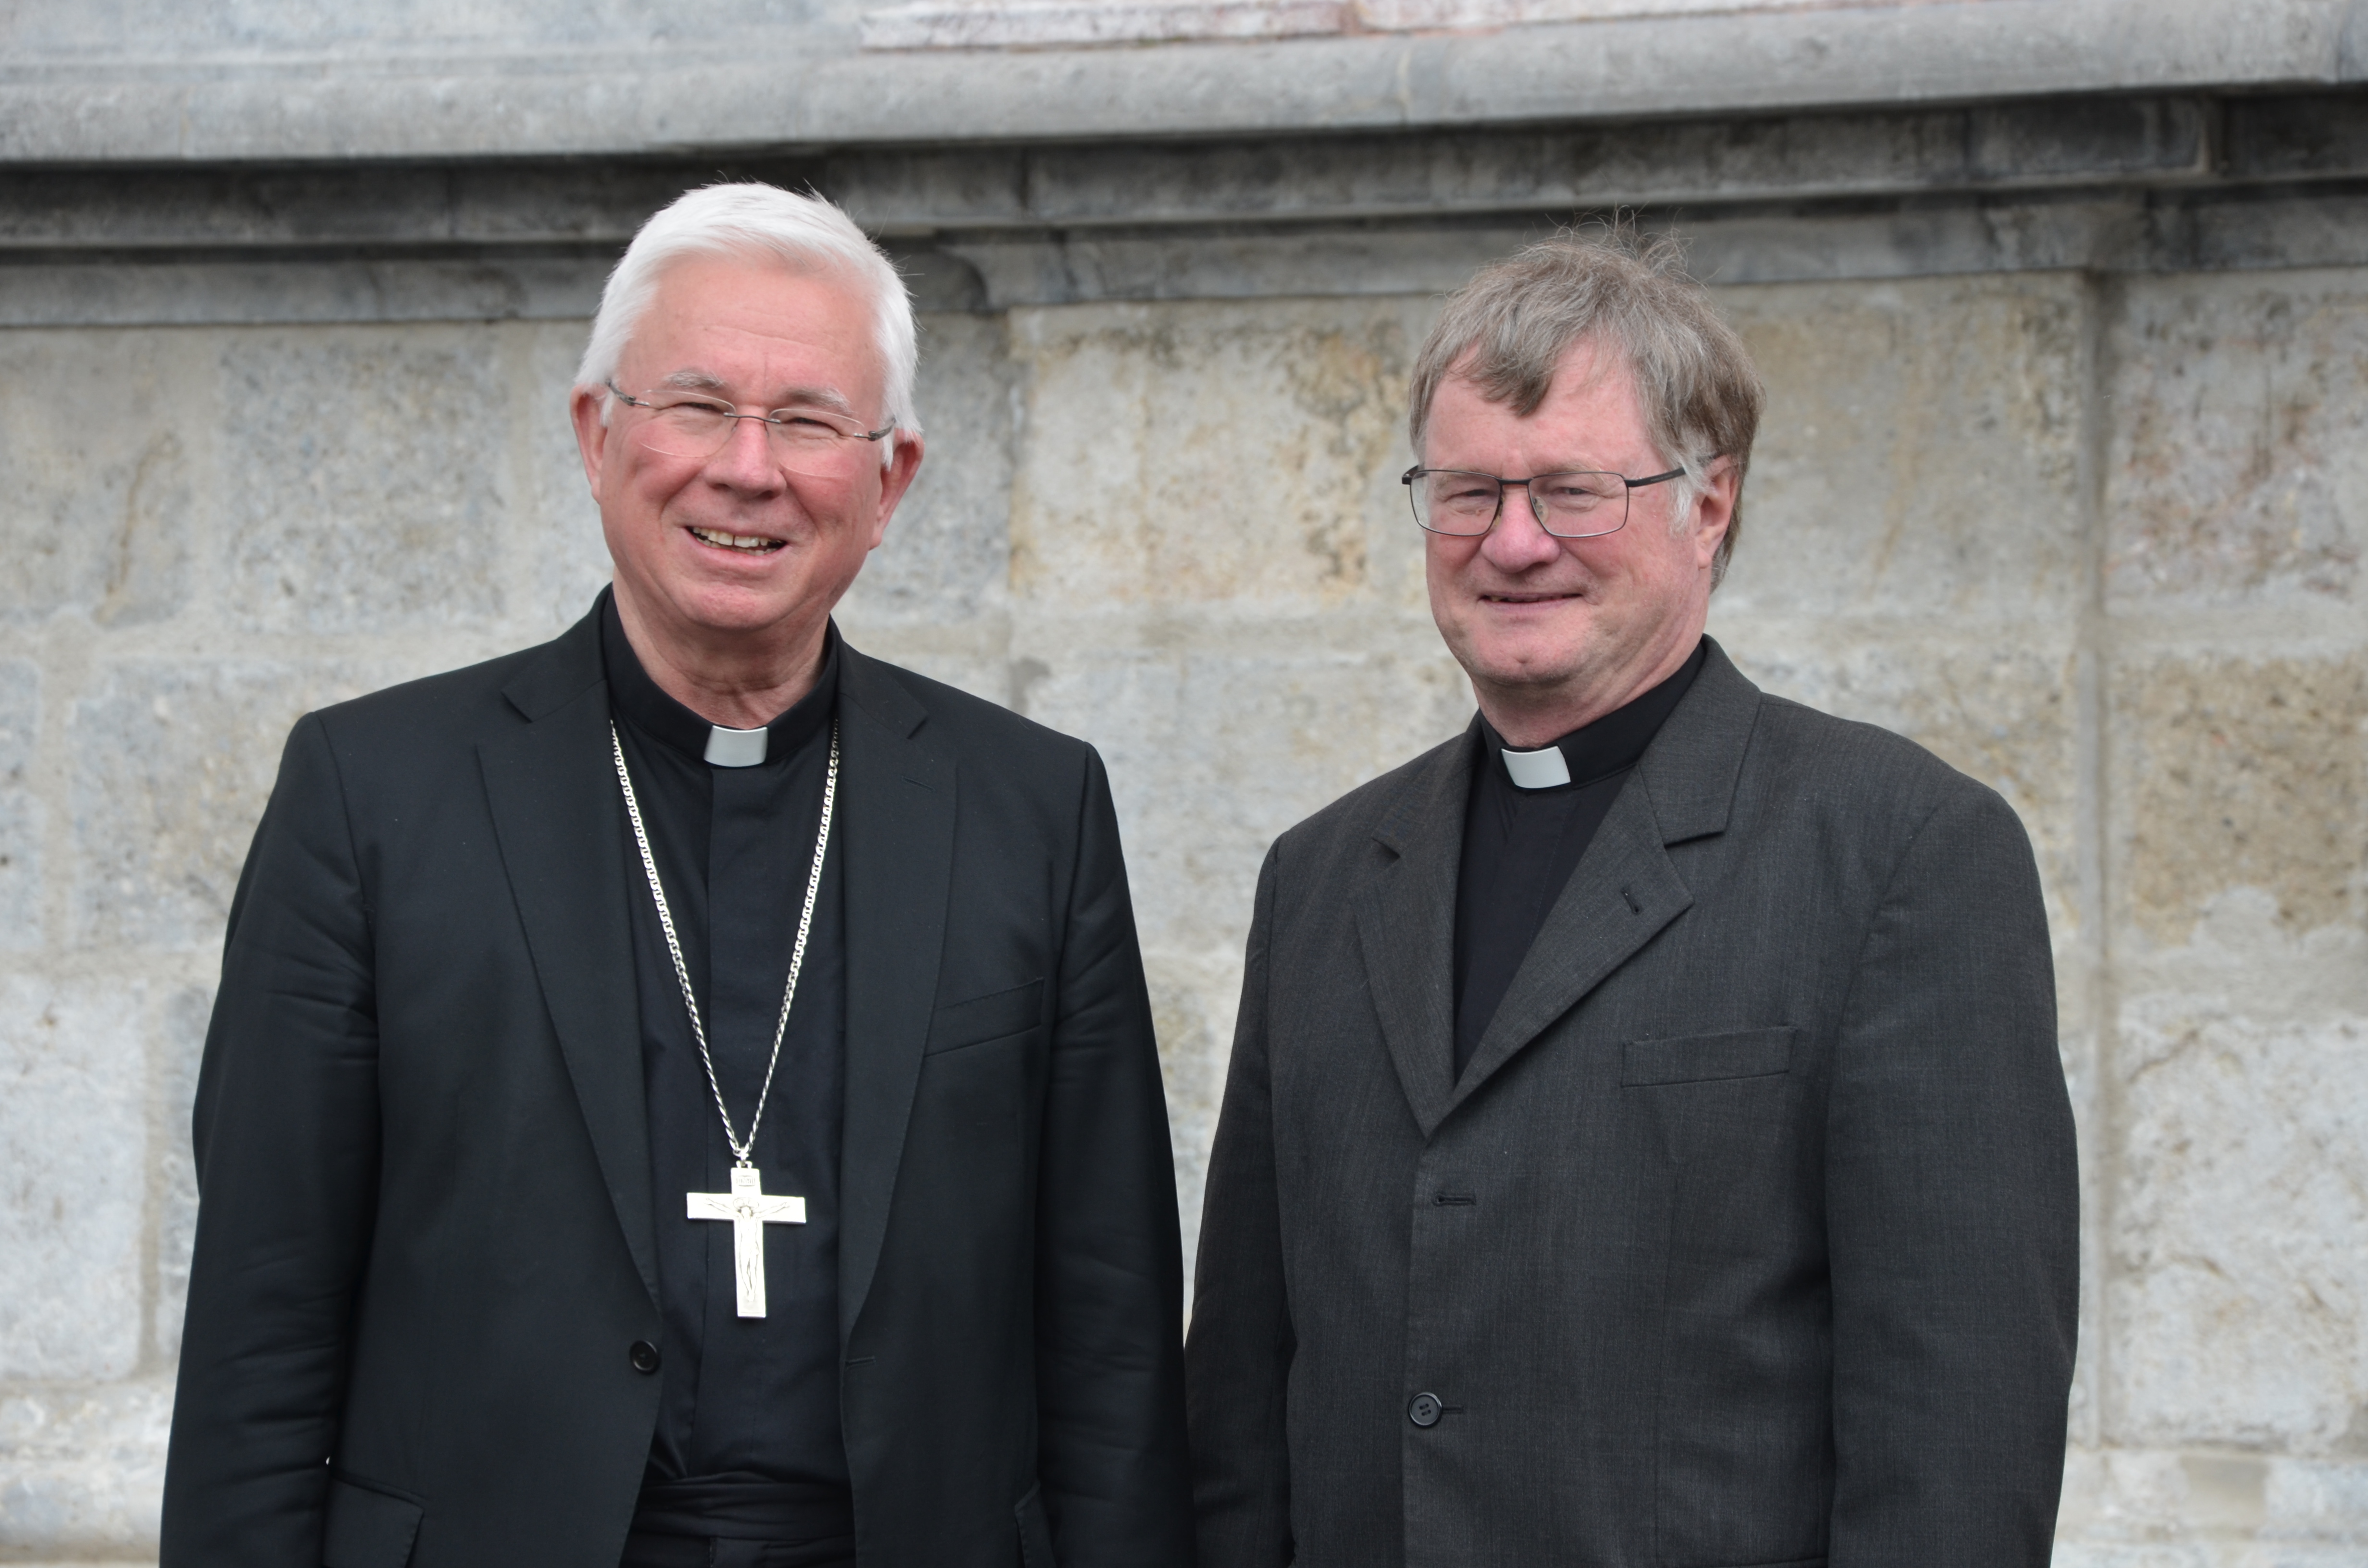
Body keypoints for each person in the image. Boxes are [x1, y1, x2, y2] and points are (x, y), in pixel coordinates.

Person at [161, 183, 1193, 1568]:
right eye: (697, 405)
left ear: (888, 484)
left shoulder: (1031, 808)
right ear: (599, 437)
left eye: (812, 422)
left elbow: (1112, 1327)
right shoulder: (374, 796)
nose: (747, 468)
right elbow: (261, 1329)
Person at [1185, 233, 2079, 1567]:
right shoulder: (1320, 876)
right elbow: (1247, 1397)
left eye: (1574, 491)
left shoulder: (1900, 853)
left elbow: (1956, 1438)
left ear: (1707, 507)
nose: (1515, 542)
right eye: (1468, 492)